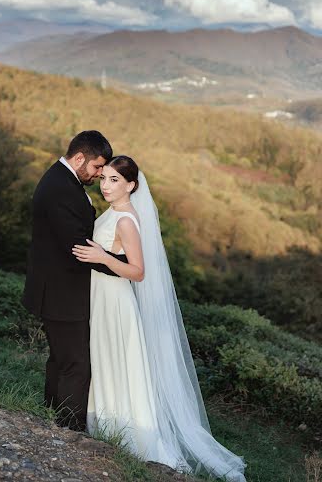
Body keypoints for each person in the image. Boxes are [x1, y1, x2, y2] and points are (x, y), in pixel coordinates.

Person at [72, 156, 247, 481]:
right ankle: (107, 426)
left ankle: (132, 434)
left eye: (115, 181)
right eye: (105, 178)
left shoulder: (127, 220)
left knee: (118, 362)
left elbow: (138, 272)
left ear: (132, 186)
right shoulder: (113, 212)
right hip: (101, 296)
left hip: (116, 301)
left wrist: (102, 256)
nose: (106, 186)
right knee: (105, 360)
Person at [22, 131, 128, 431]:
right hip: (61, 291)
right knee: (76, 363)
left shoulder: (64, 180)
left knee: (61, 359)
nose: (98, 175)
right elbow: (78, 247)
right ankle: (70, 428)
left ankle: (51, 418)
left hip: (57, 287)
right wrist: (122, 266)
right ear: (80, 158)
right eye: (96, 167)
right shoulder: (59, 188)